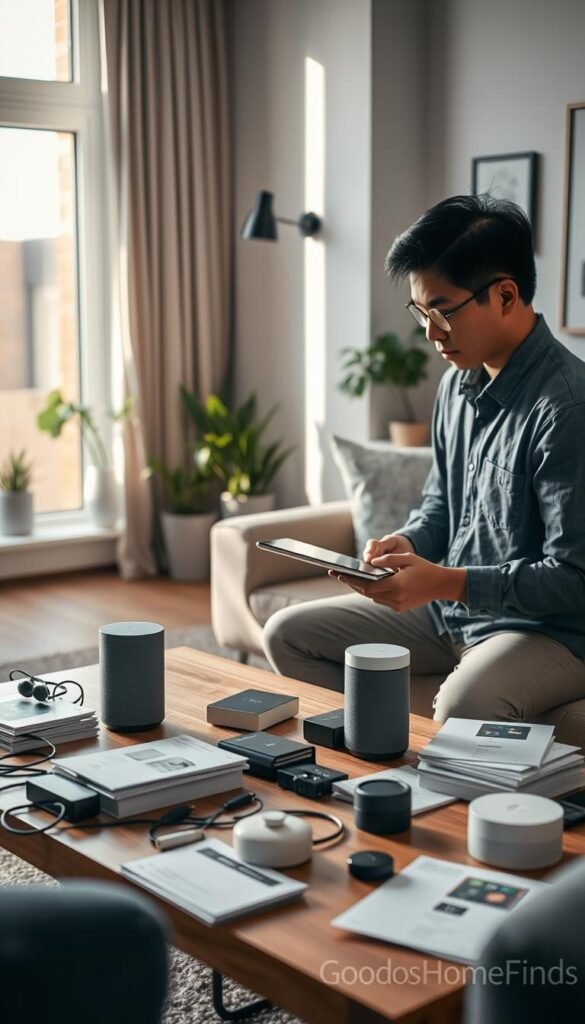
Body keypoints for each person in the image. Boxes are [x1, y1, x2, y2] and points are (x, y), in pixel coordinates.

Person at [263, 194, 585, 723]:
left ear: (505, 295)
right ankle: (379, 757)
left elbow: (574, 578)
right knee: (287, 635)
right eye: (421, 312)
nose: (431, 333)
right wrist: (408, 543)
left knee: (465, 703)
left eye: (443, 311)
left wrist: (447, 582)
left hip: (543, 630)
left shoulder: (567, 408)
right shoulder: (455, 387)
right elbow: (441, 505)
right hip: (450, 615)